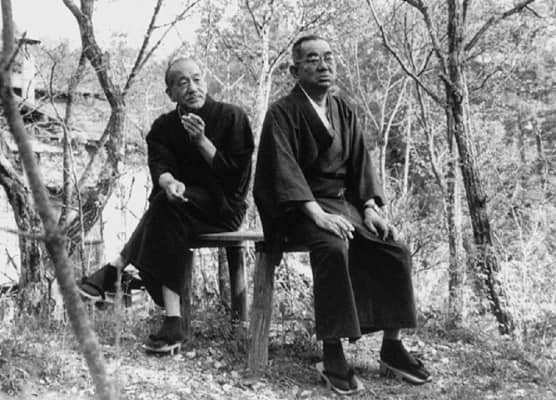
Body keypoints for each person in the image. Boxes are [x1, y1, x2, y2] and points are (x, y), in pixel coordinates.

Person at [254, 35, 431, 393]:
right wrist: (316, 214)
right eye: (312, 59)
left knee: (393, 247)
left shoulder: (343, 109)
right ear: (294, 70)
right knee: (333, 246)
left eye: (328, 57)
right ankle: (332, 351)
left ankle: (392, 346)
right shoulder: (281, 113)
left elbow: (360, 163)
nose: (323, 65)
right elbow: (282, 171)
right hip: (297, 209)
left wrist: (369, 207)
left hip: (342, 205)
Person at [78, 57, 254, 351]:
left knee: (165, 208)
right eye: (182, 83)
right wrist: (170, 183)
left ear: (205, 82)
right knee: (166, 206)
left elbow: (236, 180)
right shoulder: (163, 127)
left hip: (224, 208)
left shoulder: (232, 117)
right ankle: (173, 322)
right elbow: (160, 166)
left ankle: (115, 269)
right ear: (170, 93)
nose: (192, 87)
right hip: (179, 209)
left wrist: (202, 142)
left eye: (197, 79)